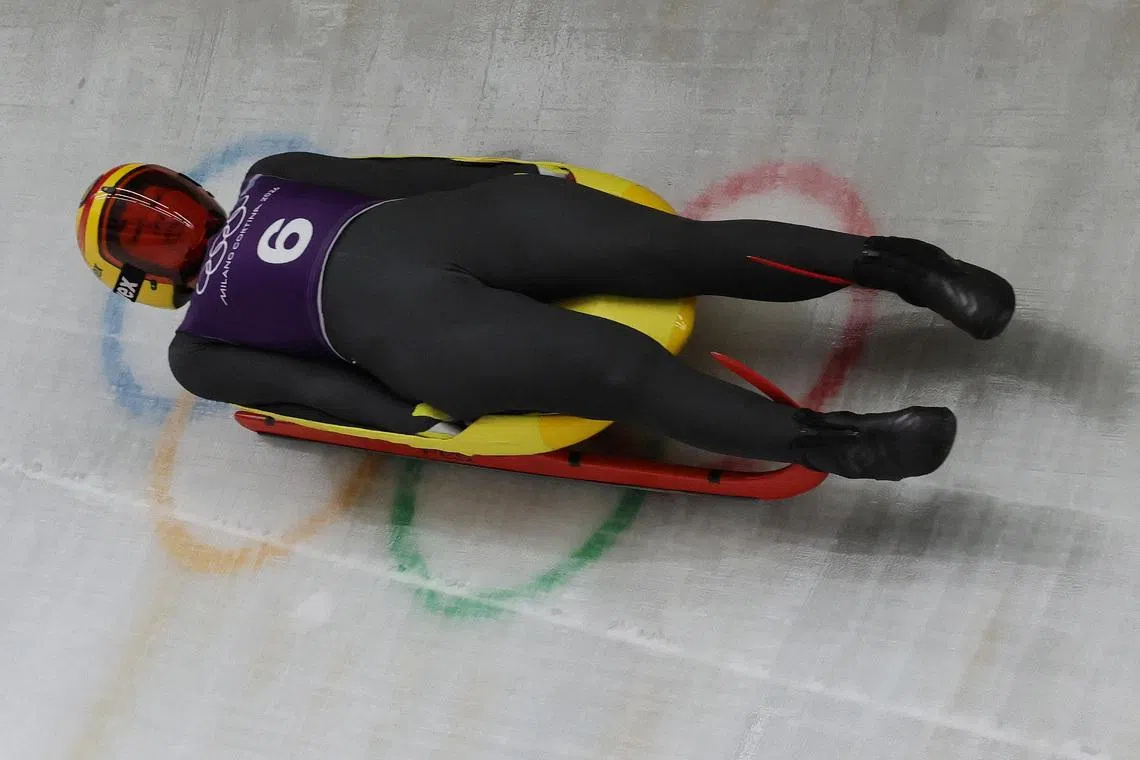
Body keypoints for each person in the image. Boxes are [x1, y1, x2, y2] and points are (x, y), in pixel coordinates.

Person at [75, 154, 1015, 480]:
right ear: (140, 279)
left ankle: (911, 270)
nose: (172, 230)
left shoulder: (272, 173)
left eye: (163, 205)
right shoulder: (200, 350)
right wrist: (419, 424)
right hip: (419, 336)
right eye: (147, 239)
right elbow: (313, 392)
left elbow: (397, 177)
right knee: (615, 368)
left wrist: (511, 182)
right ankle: (843, 444)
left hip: (461, 228)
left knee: (675, 250)